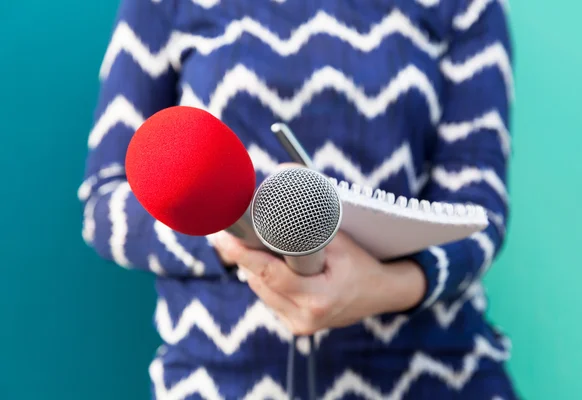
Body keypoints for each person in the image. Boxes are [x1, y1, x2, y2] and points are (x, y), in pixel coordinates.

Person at [79, 0, 517, 398]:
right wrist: (237, 236)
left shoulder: (466, 6)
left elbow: (480, 214)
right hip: (220, 379)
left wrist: (386, 288)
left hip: (437, 375)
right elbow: (107, 206)